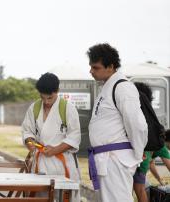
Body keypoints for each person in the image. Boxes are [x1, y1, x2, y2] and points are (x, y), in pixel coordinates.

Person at [87, 43, 148, 202]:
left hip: (116, 160)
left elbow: (137, 124)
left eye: (96, 67)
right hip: (106, 160)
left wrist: (136, 154)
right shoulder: (106, 87)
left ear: (111, 66)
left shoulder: (123, 87)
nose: (91, 71)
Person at [21, 72, 81, 202]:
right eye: (42, 98)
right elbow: (27, 131)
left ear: (57, 91)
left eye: (50, 98)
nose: (46, 102)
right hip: (41, 162)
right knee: (40, 198)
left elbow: (74, 137)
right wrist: (30, 143)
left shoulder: (68, 109)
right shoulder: (34, 108)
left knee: (64, 197)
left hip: (62, 163)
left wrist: (55, 150)